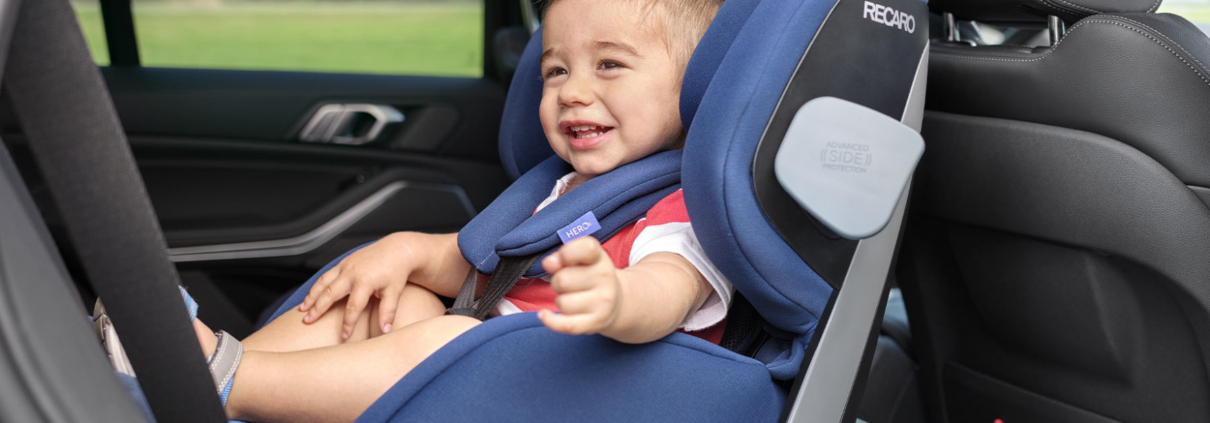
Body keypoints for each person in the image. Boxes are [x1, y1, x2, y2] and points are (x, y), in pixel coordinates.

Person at [179, 0, 727, 420]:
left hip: (577, 392)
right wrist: (410, 251)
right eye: (556, 71)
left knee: (452, 343)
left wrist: (617, 298)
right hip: (500, 369)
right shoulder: (566, 189)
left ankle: (228, 381)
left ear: (694, 86)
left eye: (609, 64)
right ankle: (189, 380)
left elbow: (669, 287)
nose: (572, 91)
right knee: (394, 299)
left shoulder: (686, 209)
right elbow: (492, 263)